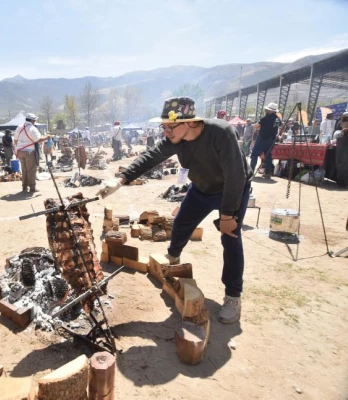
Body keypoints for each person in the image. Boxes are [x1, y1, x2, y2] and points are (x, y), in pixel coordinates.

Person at [96, 96, 252, 324]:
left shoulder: (221, 132)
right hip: (201, 187)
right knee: (181, 224)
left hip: (232, 189)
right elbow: (151, 156)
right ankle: (173, 257)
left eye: (170, 126)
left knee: (230, 238)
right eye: (164, 126)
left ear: (190, 122)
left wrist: (228, 215)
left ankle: (233, 296)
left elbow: (235, 176)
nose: (165, 131)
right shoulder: (176, 139)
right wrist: (121, 179)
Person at [14, 113, 48, 192]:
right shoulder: (32, 128)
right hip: (29, 151)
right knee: (31, 170)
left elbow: (15, 140)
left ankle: (24, 187)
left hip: (20, 151)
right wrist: (47, 137)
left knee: (24, 169)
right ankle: (32, 187)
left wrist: (18, 147)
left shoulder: (19, 127)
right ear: (32, 120)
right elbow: (38, 140)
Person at [250, 102, 281, 179]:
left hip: (262, 139)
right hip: (271, 140)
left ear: (270, 111)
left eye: (267, 110)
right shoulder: (277, 119)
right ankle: (267, 173)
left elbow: (256, 126)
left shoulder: (265, 118)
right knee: (268, 156)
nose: (266, 111)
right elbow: (276, 128)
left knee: (254, 155)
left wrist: (259, 127)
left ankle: (250, 171)